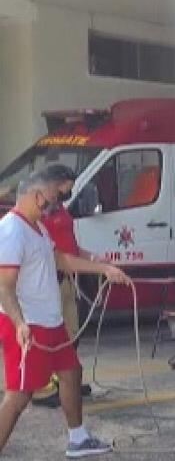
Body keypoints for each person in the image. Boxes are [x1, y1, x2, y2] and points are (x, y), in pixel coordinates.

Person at [0, 169, 132, 461]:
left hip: (51, 322)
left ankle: (78, 438)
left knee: (72, 371)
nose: (60, 203)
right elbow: (4, 286)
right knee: (19, 396)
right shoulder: (12, 231)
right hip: (28, 325)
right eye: (58, 196)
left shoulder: (38, 229)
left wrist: (104, 268)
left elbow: (61, 260)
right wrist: (19, 323)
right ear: (37, 195)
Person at [33, 164, 104, 408]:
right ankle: (44, 388)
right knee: (51, 334)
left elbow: (69, 243)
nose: (69, 191)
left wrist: (91, 258)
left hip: (69, 276)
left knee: (71, 331)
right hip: (52, 276)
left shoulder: (60, 208)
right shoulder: (41, 210)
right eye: (67, 186)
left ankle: (68, 379)